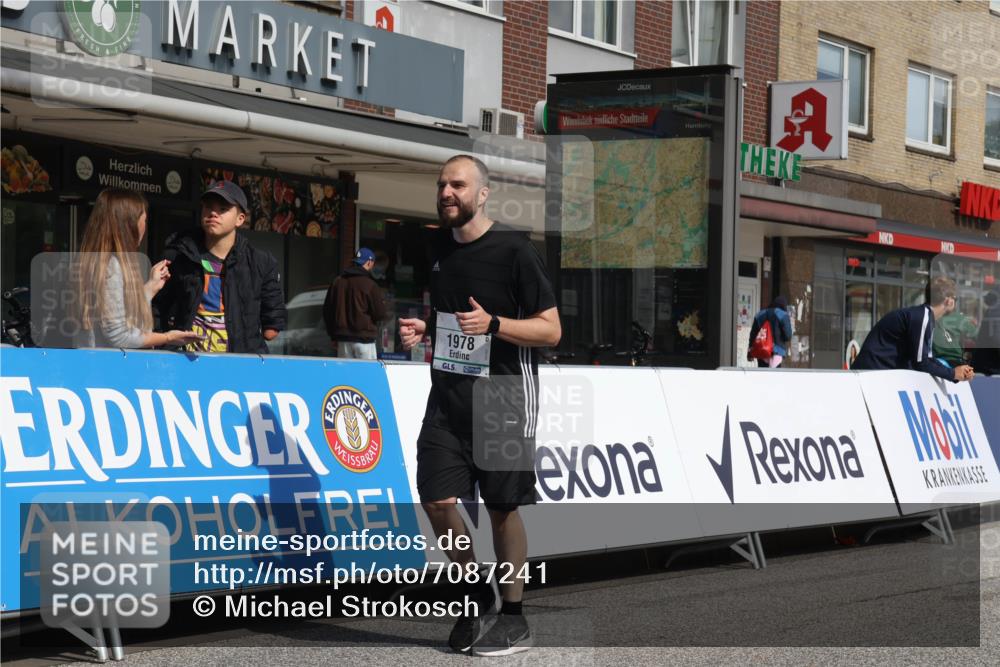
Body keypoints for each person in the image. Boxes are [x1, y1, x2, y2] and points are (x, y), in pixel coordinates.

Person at [398, 155, 561, 656]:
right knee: (436, 500)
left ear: (483, 194)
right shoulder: (438, 249)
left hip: (504, 396)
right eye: (442, 183)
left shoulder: (514, 250)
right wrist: (431, 329)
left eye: (458, 185)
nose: (447, 192)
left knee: (501, 509)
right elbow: (456, 318)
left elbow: (551, 329)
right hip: (447, 398)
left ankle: (513, 617)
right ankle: (474, 595)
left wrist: (494, 325)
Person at [153, 181, 286, 353]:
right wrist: (163, 342)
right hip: (185, 364)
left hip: (239, 369)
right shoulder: (178, 255)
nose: (213, 213)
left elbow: (272, 328)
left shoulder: (261, 262)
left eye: (223, 208)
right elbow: (156, 306)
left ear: (240, 219)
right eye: (208, 207)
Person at [75, 188, 203, 349]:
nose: (144, 226)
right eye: (144, 219)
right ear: (129, 224)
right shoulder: (112, 266)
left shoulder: (91, 262)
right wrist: (168, 337)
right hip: (109, 369)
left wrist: (151, 287)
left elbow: (115, 312)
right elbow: (119, 335)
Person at [852, 276, 975, 382]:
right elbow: (921, 362)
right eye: (955, 299)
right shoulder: (922, 317)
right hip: (869, 374)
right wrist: (953, 374)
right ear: (948, 300)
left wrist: (955, 372)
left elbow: (927, 359)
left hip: (876, 373)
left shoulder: (925, 317)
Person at [322, 247, 387, 359]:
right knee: (365, 376)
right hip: (365, 340)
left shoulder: (337, 282)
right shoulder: (370, 285)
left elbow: (327, 311)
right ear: (369, 262)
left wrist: (333, 335)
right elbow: (380, 314)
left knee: (346, 376)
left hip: (343, 341)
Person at [747, 296, 794, 368]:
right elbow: (788, 336)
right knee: (774, 377)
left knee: (762, 376)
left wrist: (750, 351)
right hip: (776, 352)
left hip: (761, 351)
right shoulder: (783, 315)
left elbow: (753, 335)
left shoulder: (759, 315)